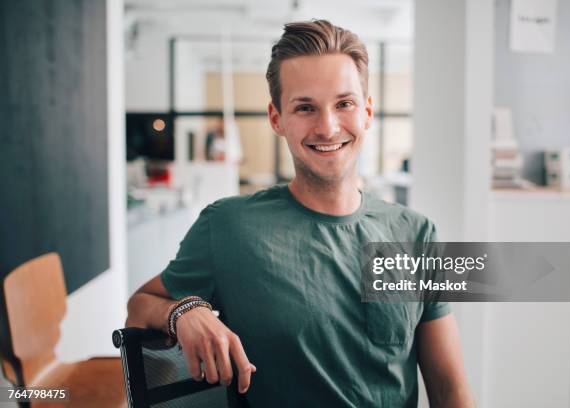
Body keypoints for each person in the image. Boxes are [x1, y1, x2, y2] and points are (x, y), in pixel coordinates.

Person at [126, 20, 474, 407]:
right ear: (277, 118)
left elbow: (449, 390)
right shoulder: (227, 226)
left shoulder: (416, 233)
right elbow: (140, 307)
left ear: (367, 112)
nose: (327, 127)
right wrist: (183, 312)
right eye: (305, 108)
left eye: (344, 104)